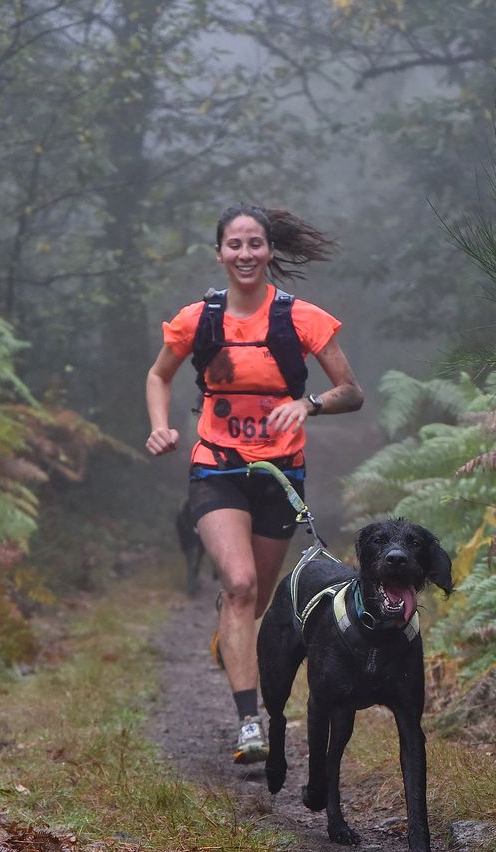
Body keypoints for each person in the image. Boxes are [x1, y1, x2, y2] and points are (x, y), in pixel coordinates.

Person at [145, 203, 363, 764]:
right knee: (240, 585)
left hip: (280, 474)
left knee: (257, 599)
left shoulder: (302, 318)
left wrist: (307, 404)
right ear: (219, 253)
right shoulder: (199, 318)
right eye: (234, 245)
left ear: (270, 251)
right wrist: (161, 426)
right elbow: (159, 374)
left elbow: (351, 392)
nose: (245, 254)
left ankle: (229, 628)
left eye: (255, 244)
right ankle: (249, 725)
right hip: (216, 465)